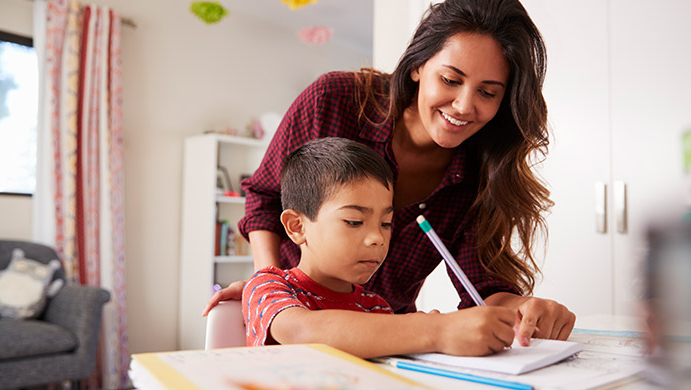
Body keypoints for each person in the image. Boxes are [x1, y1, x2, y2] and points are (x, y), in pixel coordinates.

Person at [204, 0, 576, 347]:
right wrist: (271, 284)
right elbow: (267, 197)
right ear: (417, 66)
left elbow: (482, 287)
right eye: (450, 80)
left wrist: (523, 309)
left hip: (391, 340)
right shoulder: (334, 100)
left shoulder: (481, 172)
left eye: (488, 92)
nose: (464, 106)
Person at [243, 137, 517, 358]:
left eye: (386, 223)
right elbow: (302, 332)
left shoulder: (375, 308)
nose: (377, 237)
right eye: (354, 221)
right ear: (296, 226)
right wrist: (435, 330)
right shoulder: (269, 286)